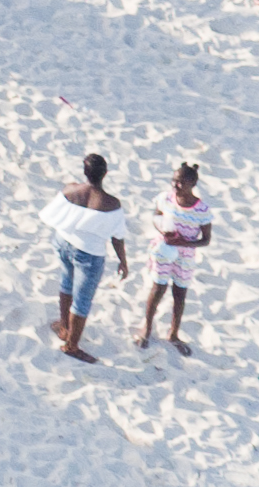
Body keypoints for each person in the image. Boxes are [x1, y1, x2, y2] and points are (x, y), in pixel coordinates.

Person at [44, 152, 133, 364]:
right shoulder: (111, 203)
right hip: (88, 253)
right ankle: (71, 346)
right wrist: (123, 260)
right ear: (105, 174)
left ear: (85, 172)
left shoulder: (70, 189)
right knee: (82, 300)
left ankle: (64, 326)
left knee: (66, 283)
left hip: (63, 242)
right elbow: (117, 237)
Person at [139, 162, 215, 355]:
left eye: (180, 182)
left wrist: (183, 243)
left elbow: (205, 240)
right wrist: (164, 231)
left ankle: (173, 333)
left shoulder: (202, 210)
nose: (175, 185)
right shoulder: (165, 199)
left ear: (192, 184)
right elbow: (157, 216)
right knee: (158, 289)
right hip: (164, 250)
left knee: (180, 293)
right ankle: (146, 328)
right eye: (174, 181)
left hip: (186, 255)